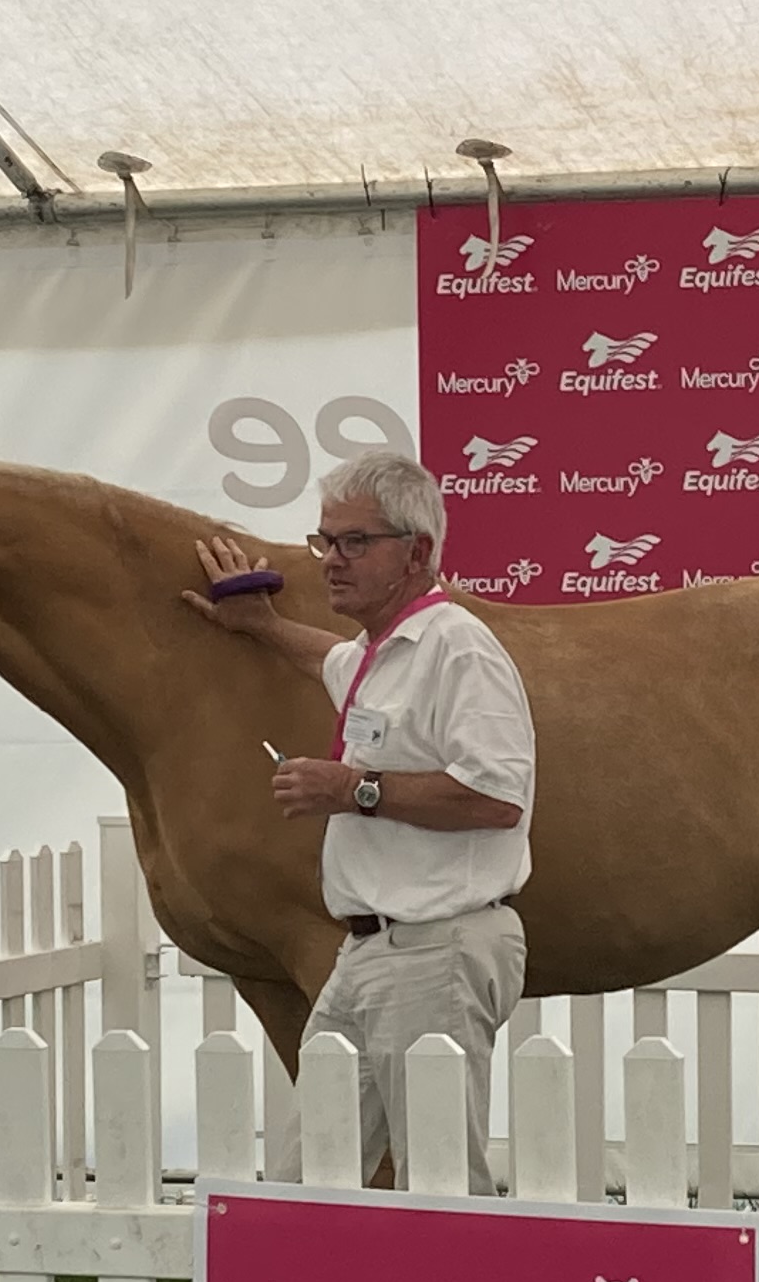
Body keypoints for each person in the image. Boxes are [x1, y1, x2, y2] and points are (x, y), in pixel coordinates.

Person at [188, 452, 534, 1185]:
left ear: (418, 552)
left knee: (440, 1184)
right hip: (372, 951)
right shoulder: (381, 652)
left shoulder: (460, 649)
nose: (331, 562)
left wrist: (355, 790)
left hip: (437, 946)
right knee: (305, 1176)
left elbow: (500, 798)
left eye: (354, 543)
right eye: (325, 541)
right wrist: (260, 625)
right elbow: (332, 660)